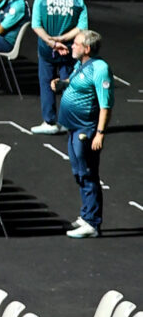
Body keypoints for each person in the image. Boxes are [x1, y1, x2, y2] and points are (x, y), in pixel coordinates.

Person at [59, 27, 111, 237]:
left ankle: (92, 223)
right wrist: (60, 84)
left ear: (87, 48)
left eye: (76, 43)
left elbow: (105, 105)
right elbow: (72, 83)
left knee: (88, 173)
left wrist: (99, 133)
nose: (73, 45)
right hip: (73, 128)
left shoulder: (99, 69)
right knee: (79, 173)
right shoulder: (81, 65)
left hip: (85, 130)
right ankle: (86, 214)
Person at [28, 0, 87, 132]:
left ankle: (49, 122)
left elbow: (36, 25)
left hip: (46, 50)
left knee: (46, 83)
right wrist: (63, 38)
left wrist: (52, 42)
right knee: (69, 84)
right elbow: (81, 27)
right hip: (69, 49)